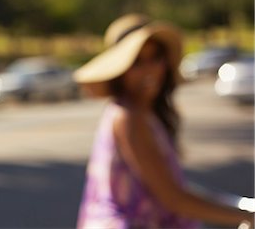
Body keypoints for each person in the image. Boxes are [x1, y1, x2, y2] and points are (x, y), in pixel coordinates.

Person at [74, 14, 253, 228]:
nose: (149, 70)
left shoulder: (146, 114)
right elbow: (173, 199)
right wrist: (245, 216)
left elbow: (168, 184)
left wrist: (240, 209)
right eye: (137, 62)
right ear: (120, 70)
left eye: (155, 58)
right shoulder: (128, 116)